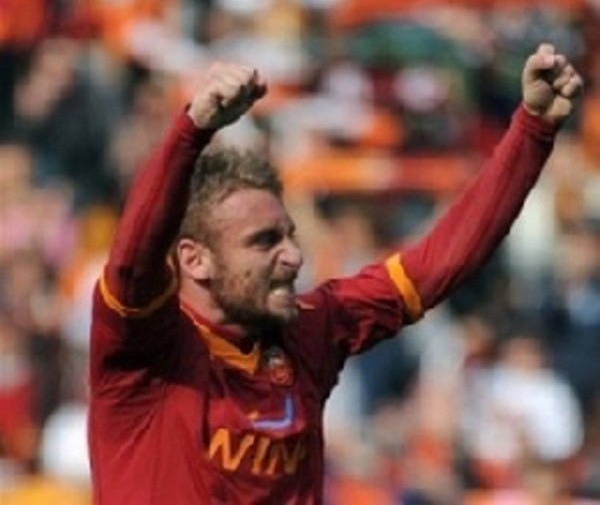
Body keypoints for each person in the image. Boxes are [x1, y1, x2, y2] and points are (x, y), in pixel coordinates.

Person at [89, 43, 582, 504]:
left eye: (289, 236)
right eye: (263, 242)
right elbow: (133, 262)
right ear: (195, 260)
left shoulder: (310, 331)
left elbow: (438, 265)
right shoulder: (144, 352)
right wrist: (190, 132)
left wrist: (533, 128)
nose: (293, 256)